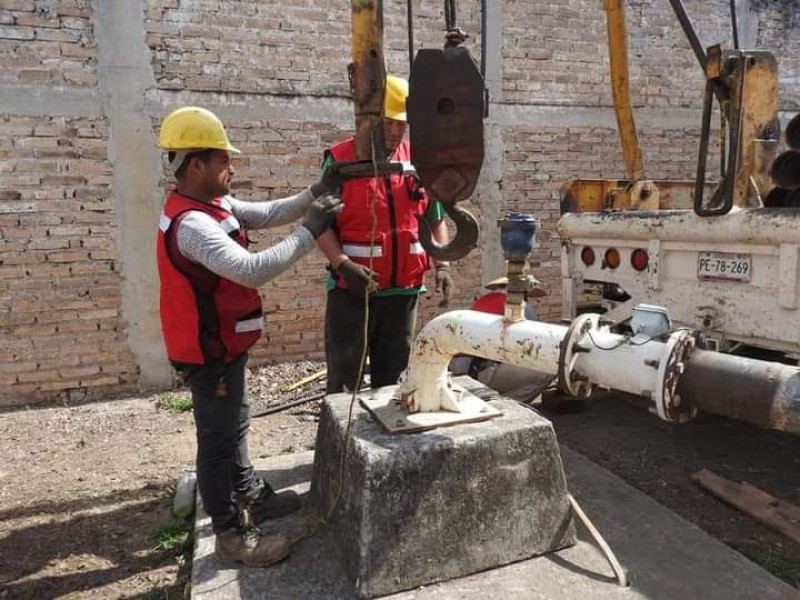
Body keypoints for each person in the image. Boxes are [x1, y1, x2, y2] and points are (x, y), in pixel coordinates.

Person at [156, 106, 342, 567]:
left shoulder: (210, 204)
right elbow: (251, 270)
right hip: (208, 353)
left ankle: (251, 494)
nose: (232, 167)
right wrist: (310, 231)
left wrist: (314, 192)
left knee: (235, 424)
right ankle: (231, 534)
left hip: (223, 344)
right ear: (195, 165)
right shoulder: (193, 226)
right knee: (217, 441)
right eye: (224, 160)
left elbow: (266, 213)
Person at [317, 74, 454, 393]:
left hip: (402, 295)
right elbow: (319, 224)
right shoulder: (340, 161)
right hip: (351, 293)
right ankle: (342, 441)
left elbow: (436, 220)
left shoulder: (418, 161)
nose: (395, 132)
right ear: (370, 119)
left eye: (401, 124)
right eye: (388, 123)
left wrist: (443, 265)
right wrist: (342, 264)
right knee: (343, 382)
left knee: (394, 384)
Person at [450, 275, 553, 402]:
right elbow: (535, 343)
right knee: (547, 371)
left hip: (457, 367)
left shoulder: (482, 301)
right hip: (480, 371)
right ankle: (505, 406)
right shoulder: (519, 307)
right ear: (523, 292)